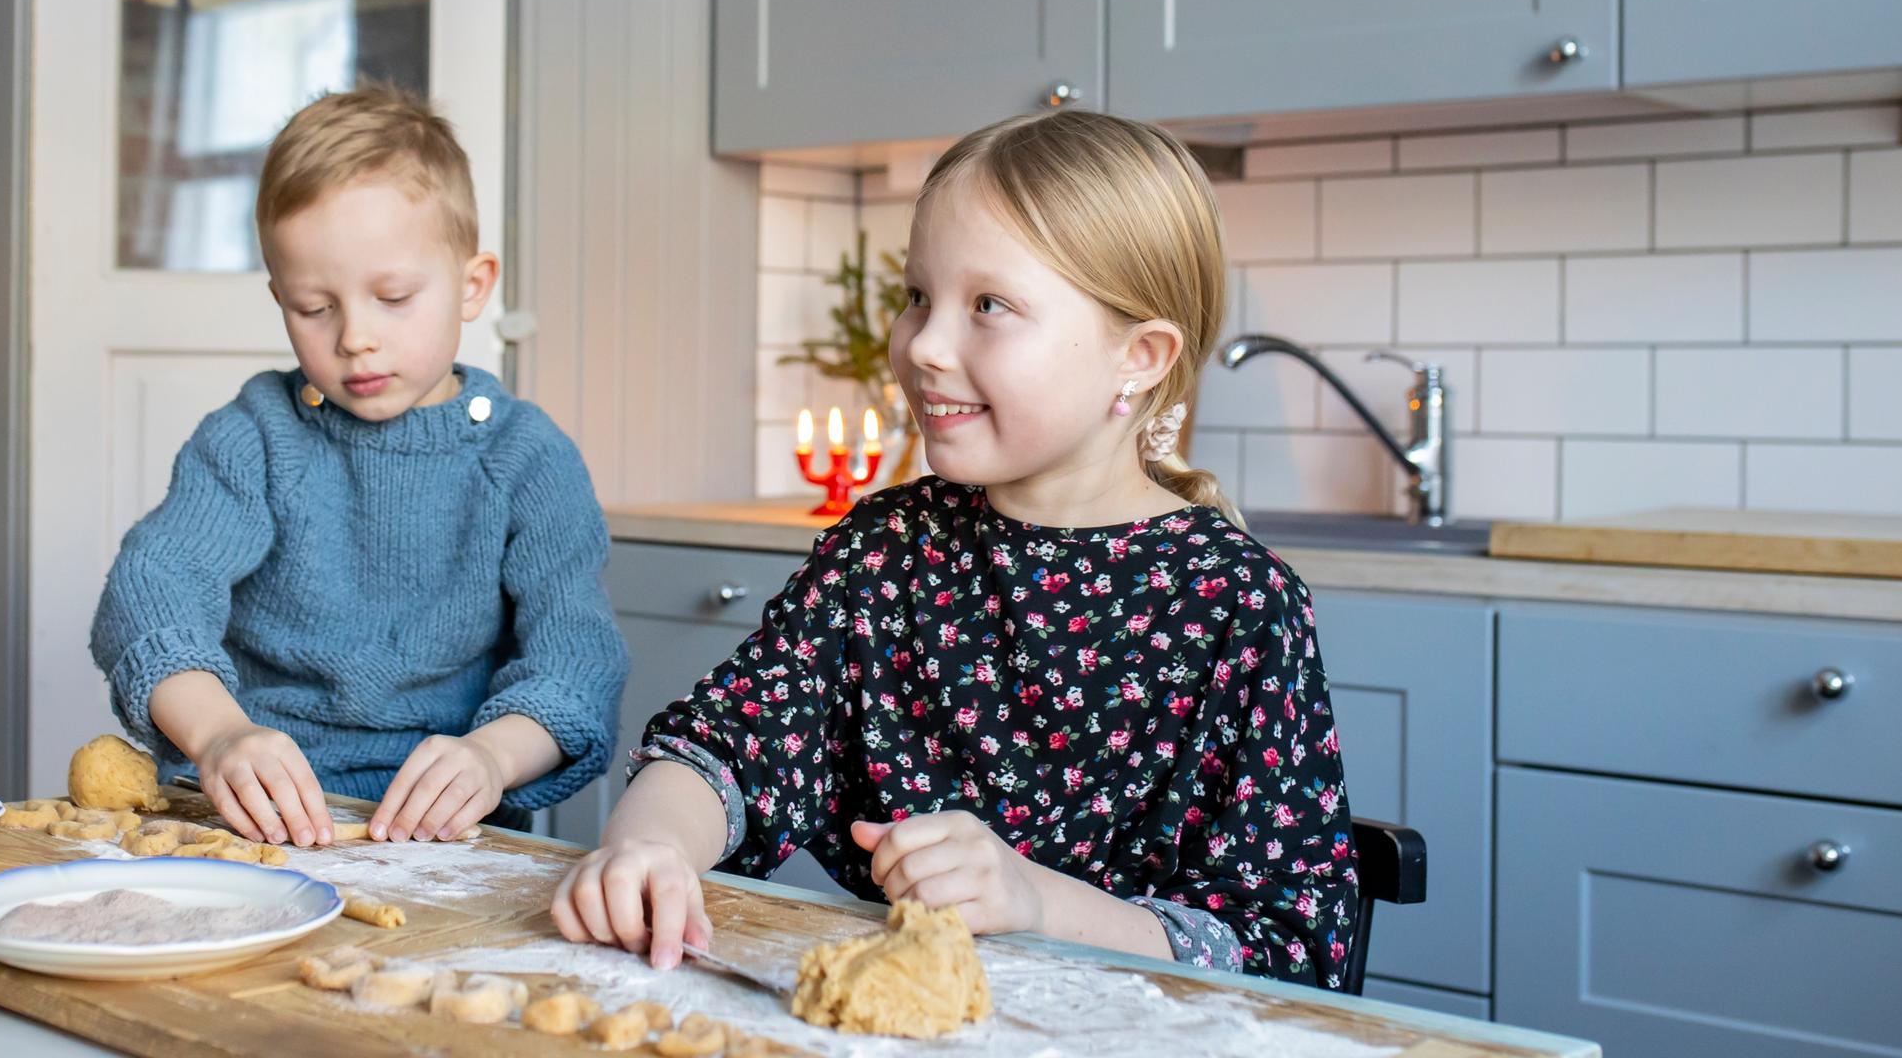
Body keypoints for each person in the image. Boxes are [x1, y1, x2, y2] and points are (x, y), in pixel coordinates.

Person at [553, 110, 1358, 986]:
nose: (924, 346)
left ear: (1141, 355)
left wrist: (1038, 903)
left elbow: (1291, 949)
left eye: (988, 307)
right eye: (917, 298)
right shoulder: (886, 549)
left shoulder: (1237, 600)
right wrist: (651, 848)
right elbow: (726, 750)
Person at [92, 82, 627, 846]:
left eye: (394, 296)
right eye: (315, 307)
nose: (355, 338)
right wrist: (218, 737)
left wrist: (489, 757)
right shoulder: (255, 437)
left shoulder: (528, 460)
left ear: (472, 286)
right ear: (279, 298)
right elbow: (152, 589)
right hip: (247, 815)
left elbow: (577, 661)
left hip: (439, 830)